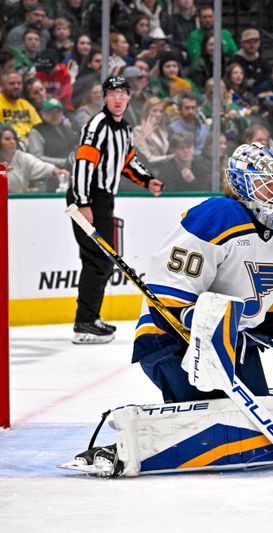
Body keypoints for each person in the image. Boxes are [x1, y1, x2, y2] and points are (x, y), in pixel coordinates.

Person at [67, 142, 273, 476]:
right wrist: (203, 326)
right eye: (263, 180)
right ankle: (118, 449)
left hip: (234, 343)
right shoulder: (216, 216)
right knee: (206, 421)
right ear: (240, 183)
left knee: (254, 425)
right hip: (172, 340)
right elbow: (171, 295)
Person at [67, 76, 163, 344]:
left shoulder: (123, 129)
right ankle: (84, 324)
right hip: (88, 198)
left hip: (103, 199)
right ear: (104, 97)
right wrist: (83, 202)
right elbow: (83, 163)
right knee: (98, 260)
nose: (118, 98)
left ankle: (89, 318)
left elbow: (127, 161)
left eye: (122, 93)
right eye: (112, 93)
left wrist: (147, 180)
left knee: (102, 260)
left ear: (129, 97)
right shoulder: (97, 125)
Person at [0, 124, 69, 192]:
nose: (12, 142)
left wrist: (55, 171)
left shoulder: (22, 157)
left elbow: (38, 165)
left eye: (14, 139)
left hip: (17, 200)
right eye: (7, 139)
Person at [0, 71, 41, 143]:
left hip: (31, 144)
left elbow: (39, 127)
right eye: (12, 83)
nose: (16, 86)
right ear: (3, 85)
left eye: (19, 83)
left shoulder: (26, 105)